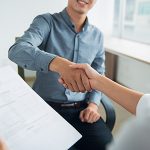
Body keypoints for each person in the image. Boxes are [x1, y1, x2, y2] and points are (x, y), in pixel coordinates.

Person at [8, 0, 112, 149]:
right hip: (45, 109)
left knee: (110, 146)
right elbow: (17, 50)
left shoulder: (98, 36)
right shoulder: (46, 21)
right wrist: (58, 63)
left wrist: (94, 105)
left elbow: (99, 73)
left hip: (81, 110)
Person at [60, 63, 150, 150]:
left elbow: (99, 70)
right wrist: (96, 81)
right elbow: (146, 104)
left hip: (82, 109)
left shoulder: (142, 130)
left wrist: (93, 104)